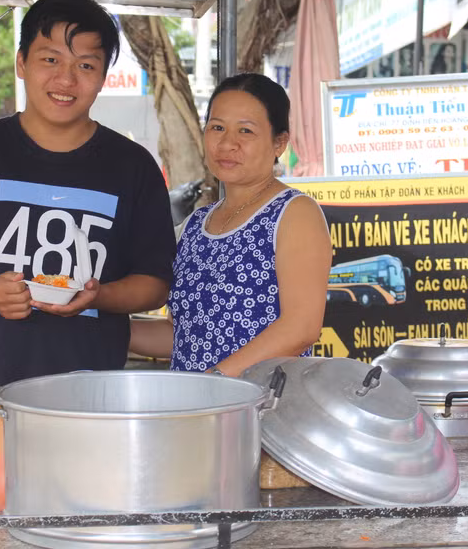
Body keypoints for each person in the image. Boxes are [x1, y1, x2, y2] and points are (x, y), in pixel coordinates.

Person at [0, 0, 176, 408]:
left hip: (90, 402)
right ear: (21, 63)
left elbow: (154, 285)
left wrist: (99, 296)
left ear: (103, 76)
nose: (66, 80)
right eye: (50, 59)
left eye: (85, 65)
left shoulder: (133, 166)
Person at [130, 73, 332, 376]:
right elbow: (182, 336)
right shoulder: (196, 225)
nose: (227, 143)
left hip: (261, 402)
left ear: (279, 143)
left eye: (246, 131)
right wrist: (106, 330)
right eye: (217, 127)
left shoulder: (295, 213)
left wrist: (216, 383)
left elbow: (300, 328)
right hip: (195, 401)